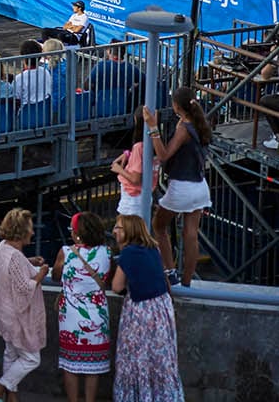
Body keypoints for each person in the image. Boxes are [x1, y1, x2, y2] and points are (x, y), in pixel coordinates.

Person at [110, 214, 181, 402]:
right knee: (160, 360)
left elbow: (116, 286)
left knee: (136, 358)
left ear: (129, 232)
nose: (114, 231)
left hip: (141, 312)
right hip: (162, 308)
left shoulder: (128, 254)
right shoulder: (153, 249)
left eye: (118, 228)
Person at [145, 87, 211, 286]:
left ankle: (170, 269)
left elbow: (164, 154)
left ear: (176, 106)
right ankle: (187, 280)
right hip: (200, 185)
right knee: (191, 235)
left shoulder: (184, 128)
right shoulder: (199, 123)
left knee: (158, 226)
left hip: (182, 187)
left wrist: (153, 127)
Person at [0, 208, 48, 402]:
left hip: (3, 312)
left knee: (11, 353)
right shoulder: (16, 256)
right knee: (31, 358)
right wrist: (40, 274)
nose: (33, 232)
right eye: (30, 229)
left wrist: (30, 261)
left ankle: (12, 397)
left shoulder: (3, 247)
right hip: (17, 317)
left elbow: (11, 268)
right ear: (21, 231)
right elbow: (24, 289)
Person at [53, 213, 111, 402]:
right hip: (98, 316)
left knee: (71, 366)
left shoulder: (66, 252)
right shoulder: (106, 252)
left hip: (71, 316)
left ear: (78, 234)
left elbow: (56, 275)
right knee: (92, 367)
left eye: (72, 229)